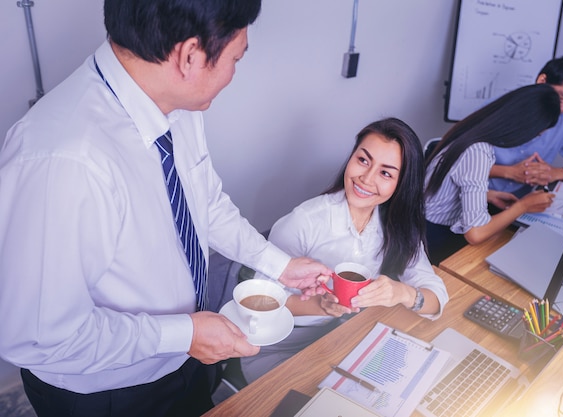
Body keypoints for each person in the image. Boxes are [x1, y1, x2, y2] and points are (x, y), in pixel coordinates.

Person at [0, 1, 332, 416]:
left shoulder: (174, 104)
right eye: (235, 58)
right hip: (106, 392)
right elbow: (36, 336)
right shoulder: (61, 161)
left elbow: (204, 204)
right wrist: (181, 334)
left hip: (181, 352)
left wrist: (279, 266)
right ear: (190, 55)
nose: (233, 73)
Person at [240, 118, 450, 384]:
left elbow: (436, 295)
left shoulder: (397, 226)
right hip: (278, 347)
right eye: (363, 160)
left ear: (402, 184)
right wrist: (321, 306)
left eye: (386, 173)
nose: (366, 177)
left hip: (339, 342)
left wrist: (403, 293)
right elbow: (258, 303)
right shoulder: (304, 221)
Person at [424, 84, 561, 265]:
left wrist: (487, 195)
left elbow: (447, 181)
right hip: (434, 242)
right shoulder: (479, 151)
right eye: (536, 134)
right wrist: (523, 205)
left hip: (422, 225)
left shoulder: (472, 127)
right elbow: (475, 233)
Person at [489, 55, 563, 199]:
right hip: (479, 196)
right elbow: (455, 161)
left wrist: (557, 173)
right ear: (542, 81)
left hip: (522, 204)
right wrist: (509, 172)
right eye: (561, 98)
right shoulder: (498, 108)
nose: (562, 109)